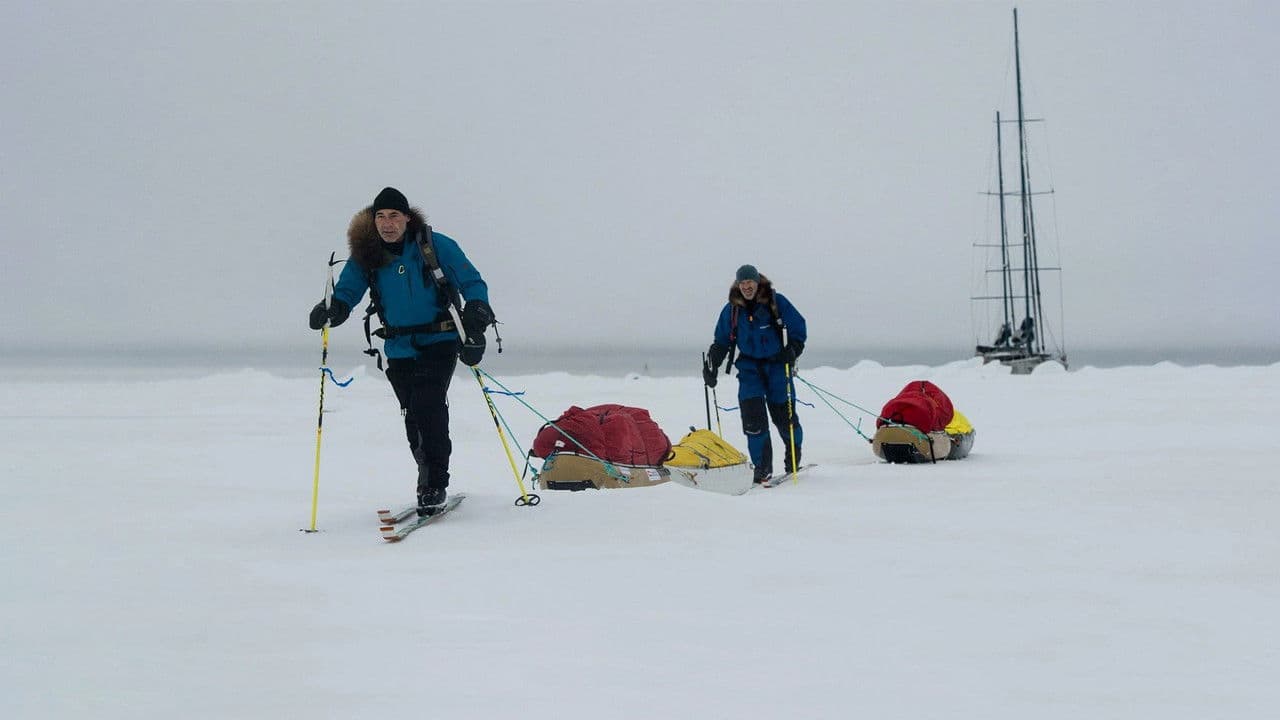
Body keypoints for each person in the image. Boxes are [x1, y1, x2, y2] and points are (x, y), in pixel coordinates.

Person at [308, 187, 493, 515]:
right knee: (412, 415)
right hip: (398, 346)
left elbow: (472, 281)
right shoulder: (367, 254)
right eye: (380, 216)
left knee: (428, 405)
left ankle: (434, 483)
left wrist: (477, 313)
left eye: (394, 215)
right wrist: (332, 310)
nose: (387, 223)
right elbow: (348, 291)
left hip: (440, 340)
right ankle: (427, 475)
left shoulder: (433, 246)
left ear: (407, 217)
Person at [703, 264, 806, 483]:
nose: (747, 286)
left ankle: (793, 456)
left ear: (757, 282)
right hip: (750, 370)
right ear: (738, 285)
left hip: (778, 367)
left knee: (784, 418)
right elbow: (721, 342)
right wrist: (712, 366)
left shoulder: (777, 303)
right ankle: (761, 469)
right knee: (753, 420)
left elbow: (798, 328)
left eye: (750, 282)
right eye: (743, 283)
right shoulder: (731, 310)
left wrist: (794, 349)